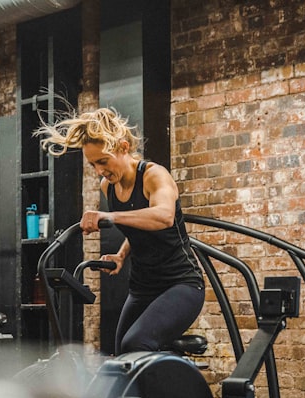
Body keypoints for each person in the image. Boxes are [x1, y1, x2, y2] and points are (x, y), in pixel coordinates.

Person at [37, 107, 204, 355]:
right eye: (93, 164)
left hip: (181, 285)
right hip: (143, 287)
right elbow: (138, 227)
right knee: (121, 355)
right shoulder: (109, 186)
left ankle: (168, 392)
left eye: (103, 161)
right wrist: (121, 255)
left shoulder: (153, 176)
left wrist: (110, 216)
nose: (99, 171)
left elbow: (164, 216)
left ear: (123, 148)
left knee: (135, 345)